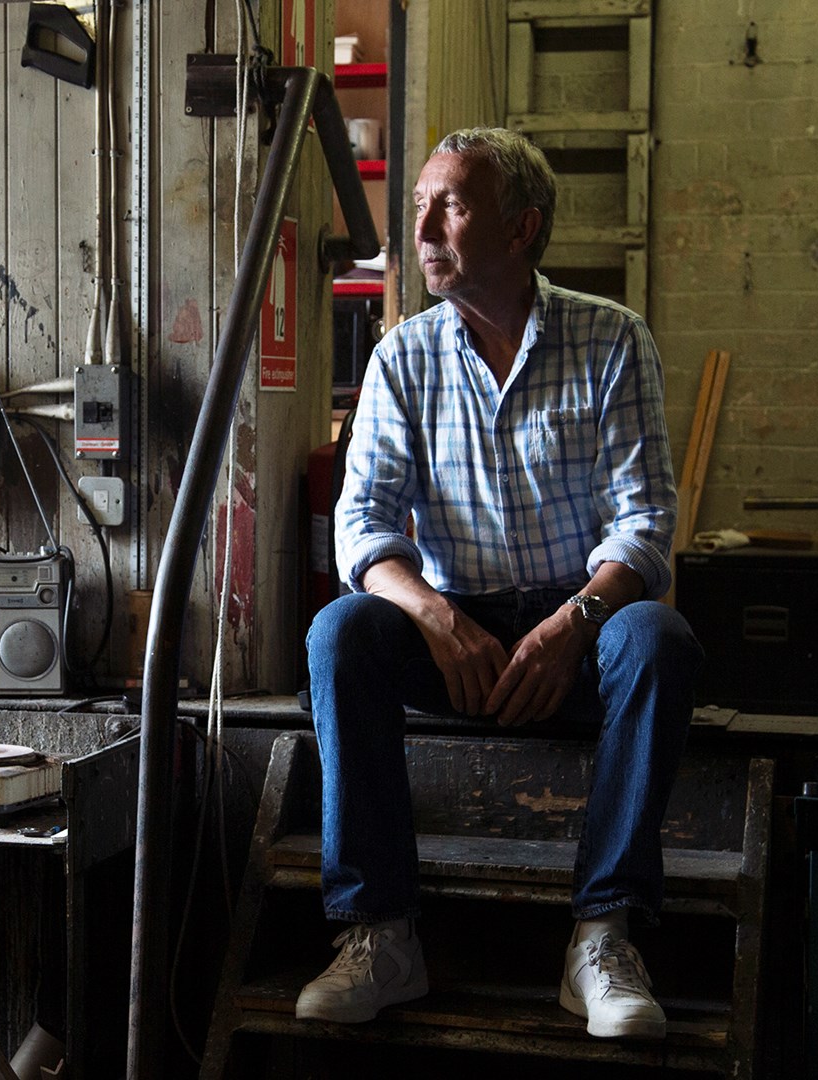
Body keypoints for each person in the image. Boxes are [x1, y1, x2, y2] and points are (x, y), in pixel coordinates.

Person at [295, 127, 701, 1040]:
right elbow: (362, 526)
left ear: (521, 229)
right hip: (459, 638)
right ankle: (381, 933)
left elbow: (644, 525)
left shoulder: (611, 340)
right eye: (420, 206)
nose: (422, 229)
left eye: (451, 206)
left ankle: (603, 936)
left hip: (579, 630)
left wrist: (575, 623)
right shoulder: (403, 356)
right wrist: (436, 617)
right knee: (341, 632)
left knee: (658, 640)